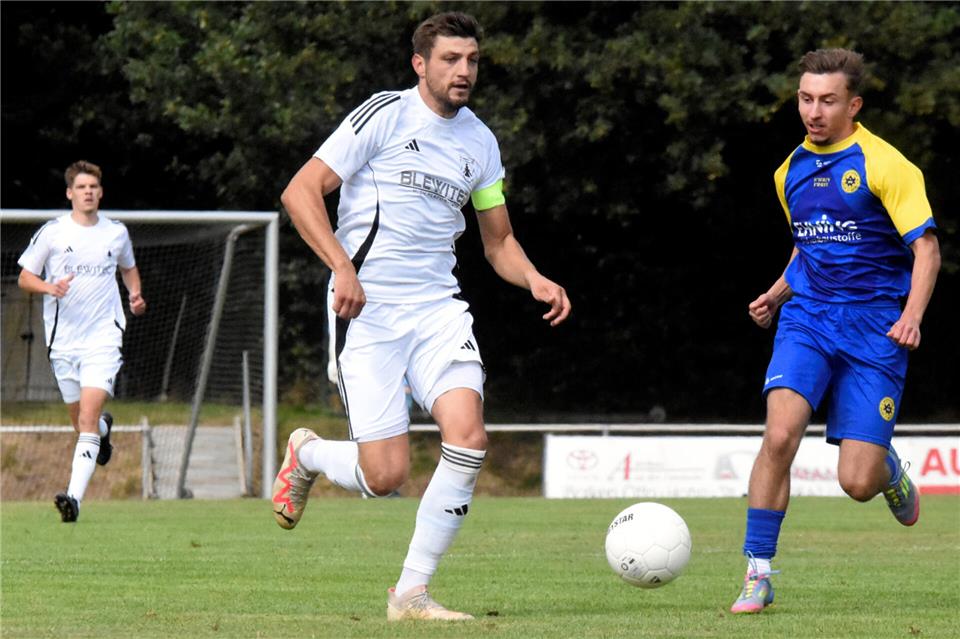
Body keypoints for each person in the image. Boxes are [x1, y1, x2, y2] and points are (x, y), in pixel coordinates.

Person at [273, 11, 571, 621]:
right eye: (450, 60)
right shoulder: (383, 114)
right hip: (368, 311)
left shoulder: (481, 143)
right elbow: (300, 191)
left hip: (437, 310)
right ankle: (305, 454)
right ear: (421, 64)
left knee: (469, 438)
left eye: (472, 61)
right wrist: (343, 268)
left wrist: (535, 277)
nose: (464, 71)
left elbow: (497, 242)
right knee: (385, 476)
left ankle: (410, 594)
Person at [731, 49, 940, 614]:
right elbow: (810, 246)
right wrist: (776, 295)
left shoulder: (886, 165)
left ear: (854, 105)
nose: (813, 111)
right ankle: (758, 572)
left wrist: (912, 315)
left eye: (827, 101)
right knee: (780, 435)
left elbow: (926, 248)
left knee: (856, 482)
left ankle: (887, 468)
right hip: (809, 320)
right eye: (805, 98)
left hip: (877, 328)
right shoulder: (788, 171)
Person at [17, 160, 147, 523]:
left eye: (94, 187)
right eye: (82, 187)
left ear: (100, 192)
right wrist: (49, 286)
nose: (88, 192)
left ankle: (73, 499)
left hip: (103, 337)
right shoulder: (53, 233)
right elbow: (25, 277)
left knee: (86, 420)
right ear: (70, 193)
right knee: (83, 424)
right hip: (64, 342)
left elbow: (128, 267)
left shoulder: (116, 233)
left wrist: (135, 295)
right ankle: (104, 431)